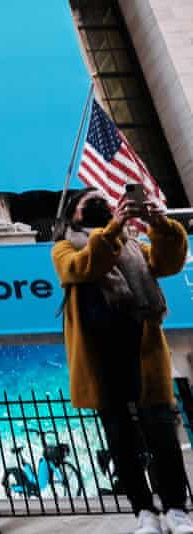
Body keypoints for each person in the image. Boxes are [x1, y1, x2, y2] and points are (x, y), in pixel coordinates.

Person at [52, 187, 193, 534]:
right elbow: (87, 266)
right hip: (100, 358)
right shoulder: (64, 249)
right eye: (91, 203)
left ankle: (176, 508)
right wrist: (115, 226)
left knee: (161, 433)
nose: (101, 205)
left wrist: (161, 226)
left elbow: (168, 263)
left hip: (143, 350)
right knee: (122, 440)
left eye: (105, 200)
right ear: (74, 215)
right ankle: (144, 511)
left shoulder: (133, 246)